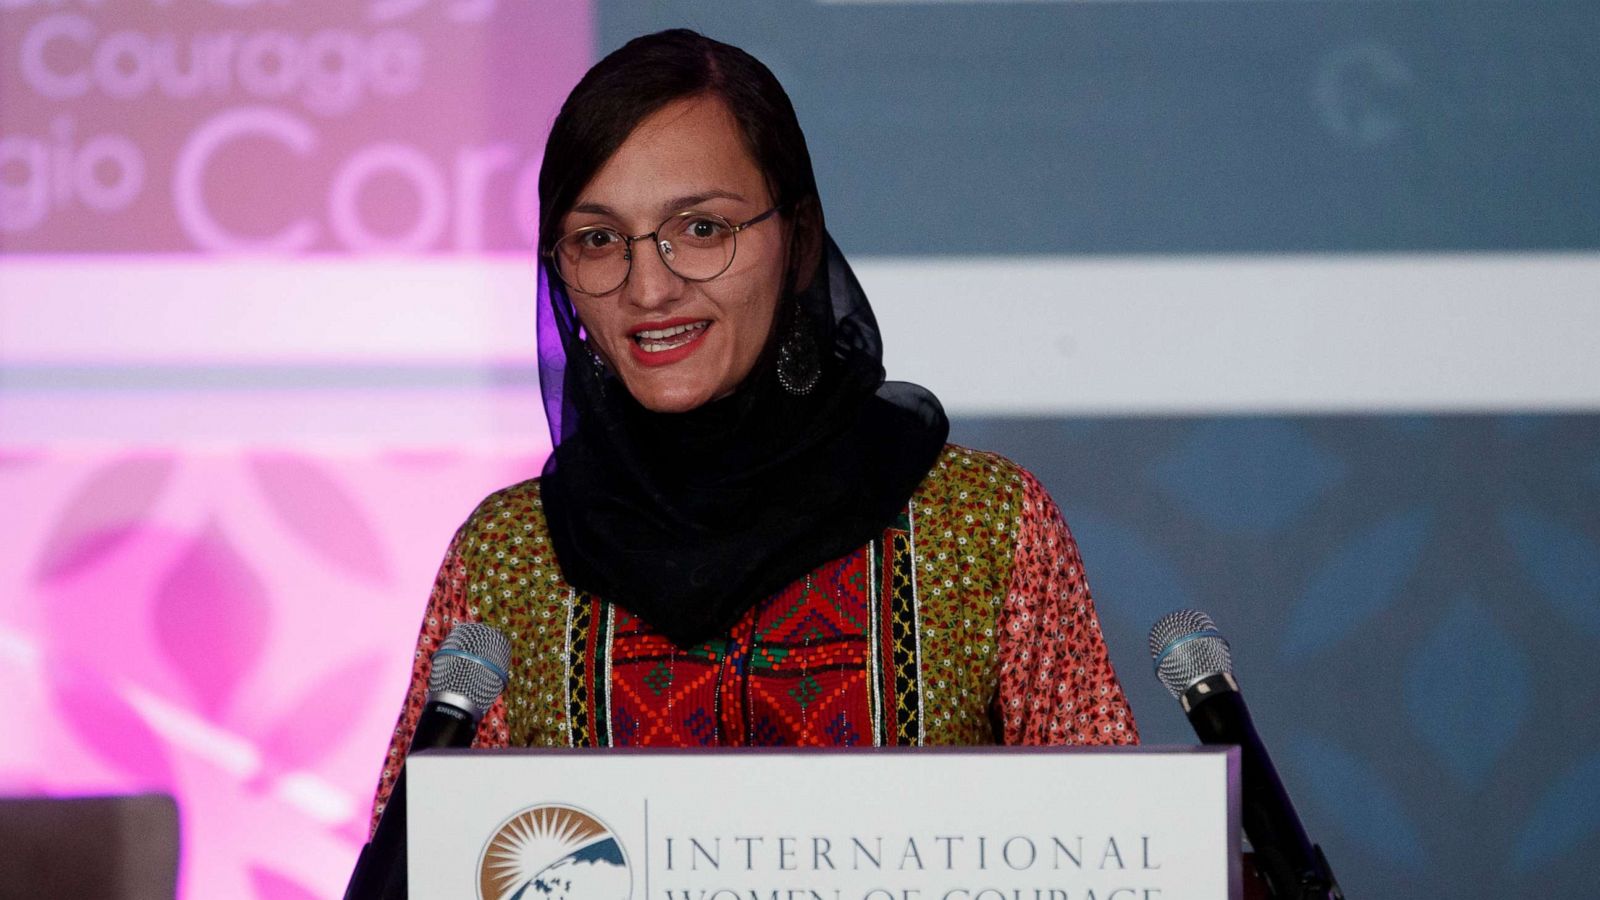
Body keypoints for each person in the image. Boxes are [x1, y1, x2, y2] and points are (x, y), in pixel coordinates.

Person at [369, 28, 1136, 829]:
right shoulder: (507, 557)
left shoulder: (980, 528)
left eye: (702, 228)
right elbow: (417, 863)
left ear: (799, 240)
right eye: (599, 241)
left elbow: (1121, 848)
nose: (650, 288)